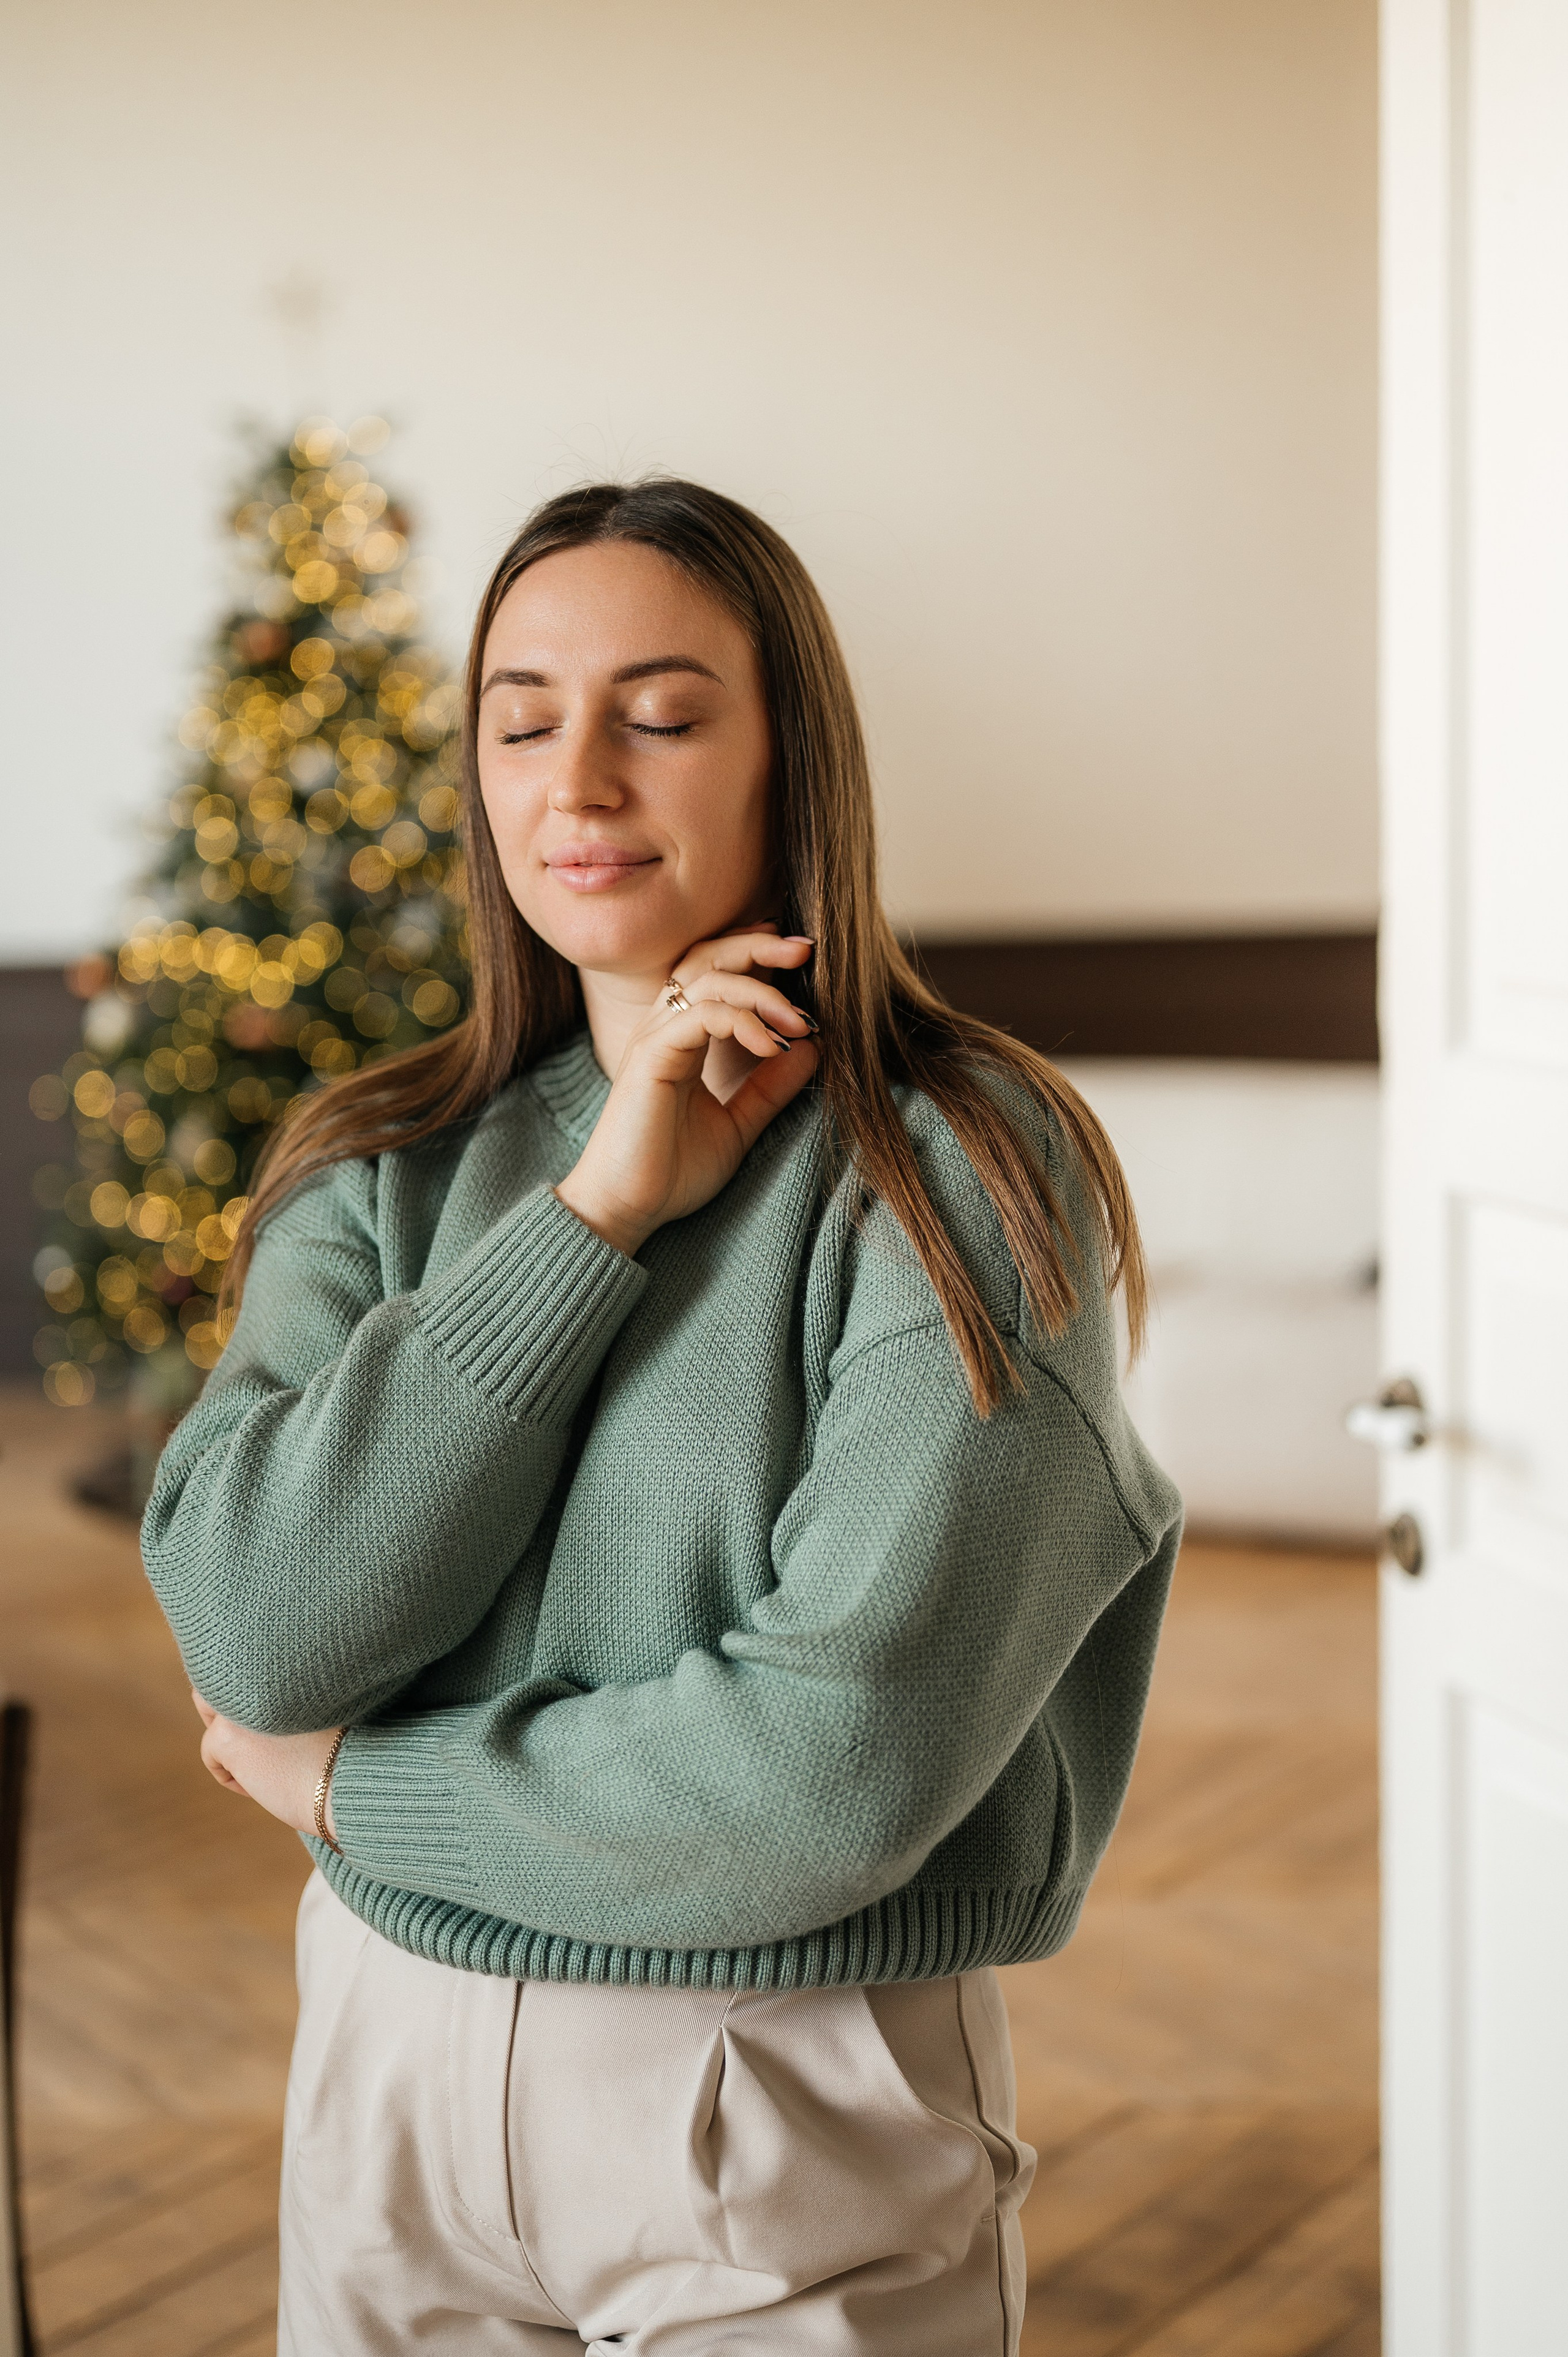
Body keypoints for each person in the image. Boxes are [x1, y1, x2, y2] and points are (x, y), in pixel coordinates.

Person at [143, 478, 1182, 2355]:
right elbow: (255, 1625)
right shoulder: (376, 1167)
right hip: (382, 2077)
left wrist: (360, 1794)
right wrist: (597, 1216)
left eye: (666, 714)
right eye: (523, 719)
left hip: (781, 2102)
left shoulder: (959, 1171)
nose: (580, 781)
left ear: (796, 762)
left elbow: (826, 1778)